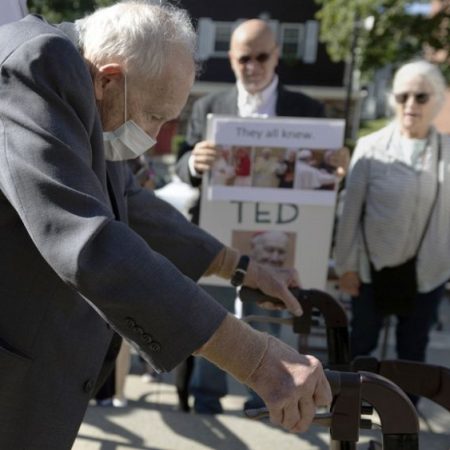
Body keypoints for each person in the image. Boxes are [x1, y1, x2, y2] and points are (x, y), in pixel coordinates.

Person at [0, 3, 333, 448]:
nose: (155, 137)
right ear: (108, 80)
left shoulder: (83, 75)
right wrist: (256, 358)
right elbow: (85, 240)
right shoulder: (42, 63)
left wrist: (241, 267)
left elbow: (130, 205)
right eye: (155, 116)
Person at [175, 18, 330, 414]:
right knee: (212, 321)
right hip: (218, 241)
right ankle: (206, 401)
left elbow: (326, 179)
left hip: (279, 243)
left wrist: (333, 168)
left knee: (270, 321)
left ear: (276, 56)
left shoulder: (309, 110)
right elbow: (179, 166)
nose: (253, 66)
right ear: (231, 58)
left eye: (262, 56)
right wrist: (194, 160)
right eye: (245, 57)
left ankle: (264, 403)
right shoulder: (210, 107)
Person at [334, 60, 450, 404]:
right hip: (370, 270)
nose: (410, 104)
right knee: (362, 345)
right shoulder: (371, 148)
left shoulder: (447, 150)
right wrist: (346, 267)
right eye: (402, 96)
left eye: (420, 96)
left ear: (437, 100)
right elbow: (349, 215)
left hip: (427, 273)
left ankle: (403, 420)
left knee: (412, 352)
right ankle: (349, 411)